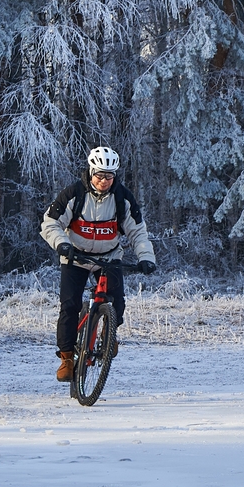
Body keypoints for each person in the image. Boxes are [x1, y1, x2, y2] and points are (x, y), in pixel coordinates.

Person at [41, 146, 156, 382]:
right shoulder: (74, 194)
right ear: (91, 171)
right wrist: (62, 244)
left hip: (109, 256)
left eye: (109, 176)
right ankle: (66, 358)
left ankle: (108, 332)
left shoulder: (122, 198)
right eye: (99, 175)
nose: (104, 181)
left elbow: (137, 231)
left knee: (117, 302)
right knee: (69, 306)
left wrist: (146, 257)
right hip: (76, 257)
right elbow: (50, 222)